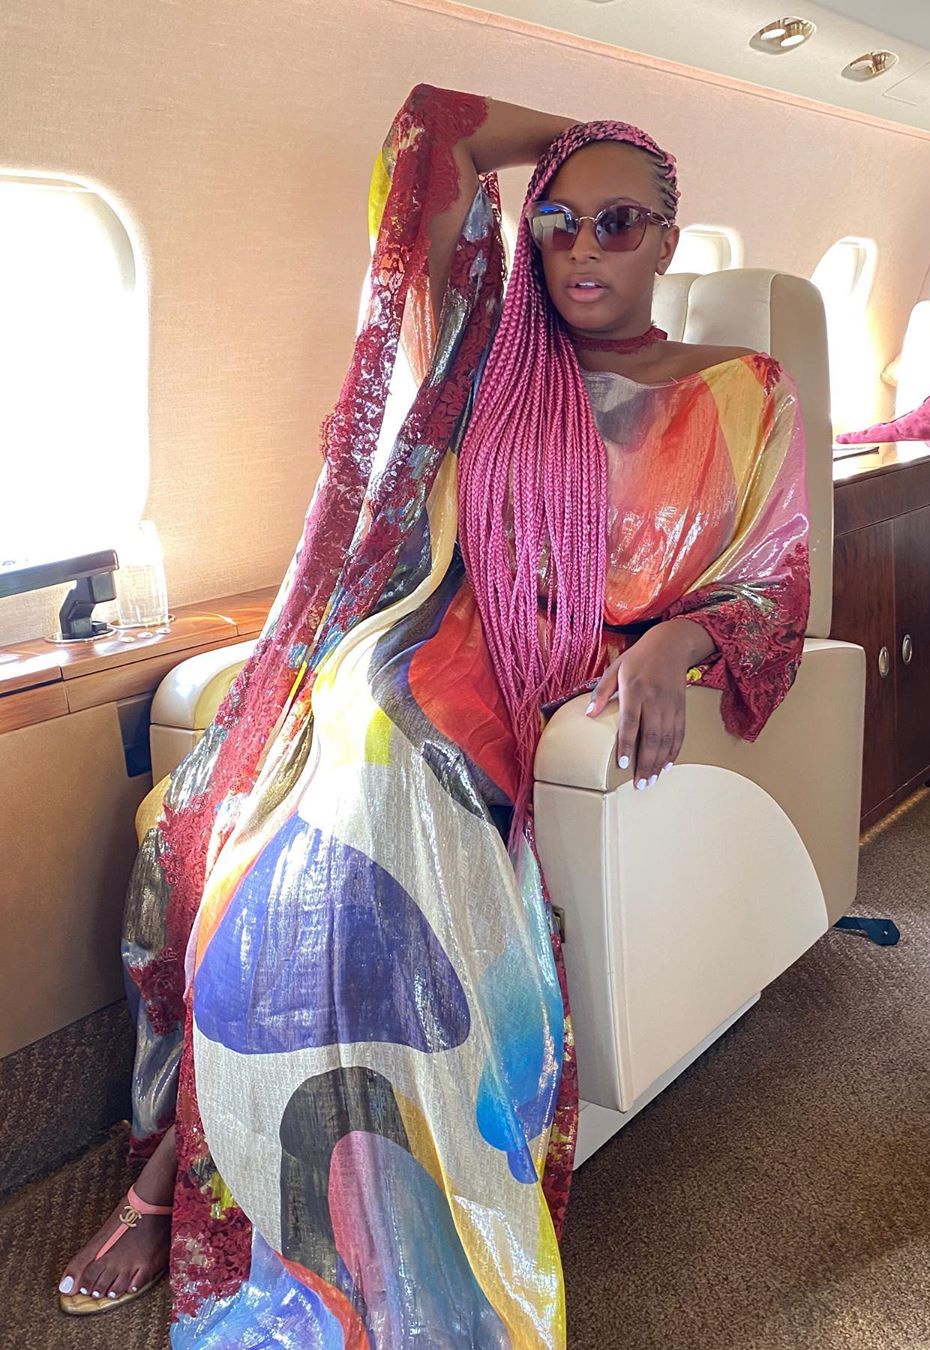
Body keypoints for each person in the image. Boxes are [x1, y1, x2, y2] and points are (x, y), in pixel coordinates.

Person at [56, 82, 809, 1346]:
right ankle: (194, 1171)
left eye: (620, 221)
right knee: (229, 835)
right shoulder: (491, 359)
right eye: (558, 219)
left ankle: (340, 1220)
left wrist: (673, 644)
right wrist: (574, 134)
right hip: (422, 635)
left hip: (554, 670)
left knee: (356, 829)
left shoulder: (743, 387)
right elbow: (430, 135)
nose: (583, 245)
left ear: (671, 239)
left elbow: (772, 583)